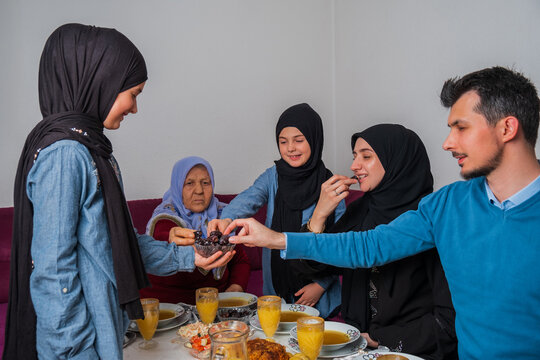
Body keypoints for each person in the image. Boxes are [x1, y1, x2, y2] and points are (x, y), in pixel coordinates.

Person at [225, 66, 540, 359]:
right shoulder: (446, 204)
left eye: (461, 128)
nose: (447, 143)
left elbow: (443, 322)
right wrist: (276, 238)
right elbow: (368, 246)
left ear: (507, 128)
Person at [4, 24, 232, 359]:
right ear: (102, 82)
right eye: (134, 94)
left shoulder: (91, 150)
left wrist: (191, 256)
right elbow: (53, 274)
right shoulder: (67, 155)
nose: (134, 108)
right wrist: (75, 351)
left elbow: (117, 243)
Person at [305, 124, 456, 359]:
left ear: (397, 161)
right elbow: (315, 267)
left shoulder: (429, 218)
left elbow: (447, 321)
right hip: (353, 343)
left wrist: (380, 338)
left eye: (366, 156)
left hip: (408, 350)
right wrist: (319, 216)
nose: (354, 166)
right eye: (355, 156)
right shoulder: (360, 209)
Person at [205, 103, 346, 318]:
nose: (290, 148)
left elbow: (342, 245)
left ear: (314, 139)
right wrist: (226, 219)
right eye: (283, 141)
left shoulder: (331, 187)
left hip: (319, 298)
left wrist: (321, 285)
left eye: (298, 140)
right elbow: (247, 199)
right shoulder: (273, 176)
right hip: (276, 295)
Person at [140, 156, 250, 304]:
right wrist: (173, 241)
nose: (199, 190)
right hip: (168, 308)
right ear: (178, 186)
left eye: (205, 183)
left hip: (214, 306)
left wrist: (235, 289)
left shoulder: (222, 216)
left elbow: (240, 260)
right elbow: (164, 239)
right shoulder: (165, 219)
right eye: (189, 183)